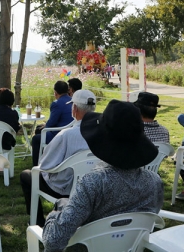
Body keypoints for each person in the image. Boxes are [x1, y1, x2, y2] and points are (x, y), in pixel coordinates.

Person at [41, 100, 164, 252]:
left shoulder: (93, 183)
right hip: (130, 247)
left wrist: (54, 214)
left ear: (101, 139)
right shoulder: (154, 182)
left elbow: (53, 242)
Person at [20, 89, 96, 227]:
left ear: (75, 109)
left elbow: (45, 165)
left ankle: (37, 222)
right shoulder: (104, 132)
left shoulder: (66, 135)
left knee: (27, 175)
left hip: (65, 189)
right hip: (92, 187)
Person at [31, 81, 73, 166]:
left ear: (55, 92)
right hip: (70, 131)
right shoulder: (73, 101)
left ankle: (37, 164)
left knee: (36, 138)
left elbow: (52, 123)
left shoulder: (57, 104)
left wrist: (46, 125)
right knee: (40, 129)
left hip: (58, 134)